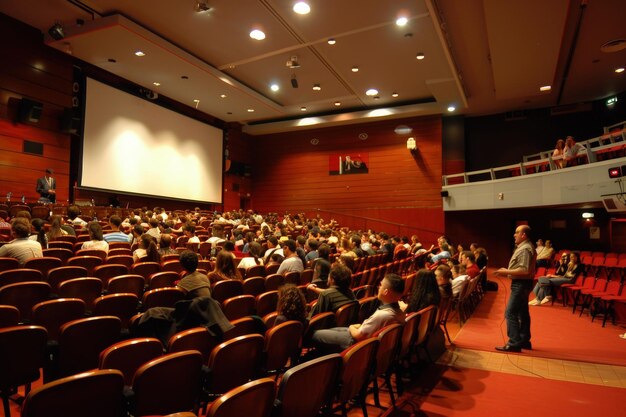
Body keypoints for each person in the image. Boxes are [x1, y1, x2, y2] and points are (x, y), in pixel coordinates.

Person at [311, 273, 405, 351]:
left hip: (355, 343)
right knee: (331, 330)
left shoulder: (383, 315)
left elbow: (359, 336)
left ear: (386, 292)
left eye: (380, 285)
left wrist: (352, 326)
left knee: (315, 334)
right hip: (360, 335)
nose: (378, 287)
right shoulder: (400, 313)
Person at [494, 225, 535, 353]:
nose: (514, 235)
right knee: (522, 313)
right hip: (523, 284)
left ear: (524, 235)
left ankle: (514, 343)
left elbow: (524, 270)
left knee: (510, 313)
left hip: (521, 284)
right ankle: (523, 340)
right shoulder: (526, 246)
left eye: (517, 232)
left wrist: (506, 272)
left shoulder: (525, 248)